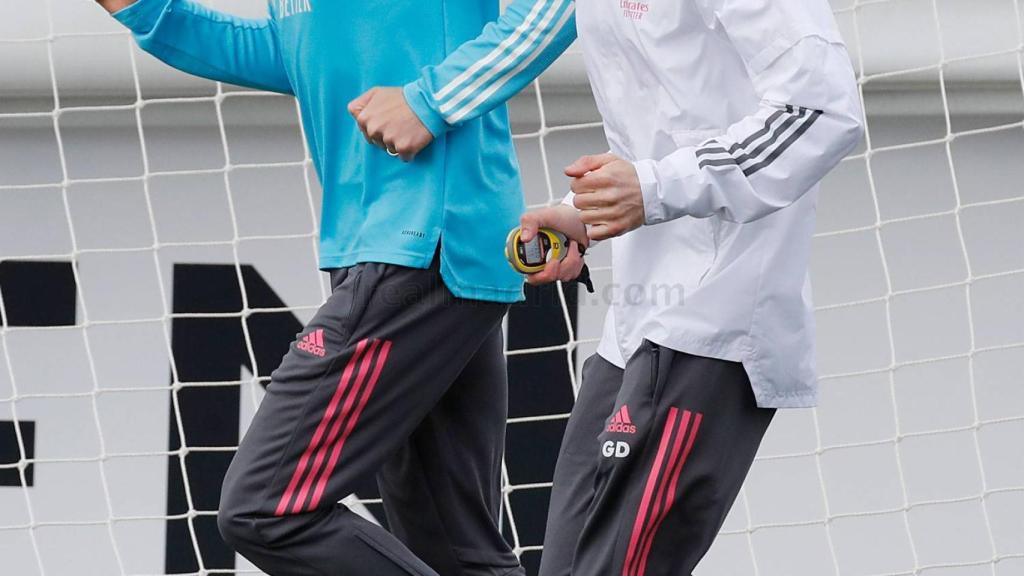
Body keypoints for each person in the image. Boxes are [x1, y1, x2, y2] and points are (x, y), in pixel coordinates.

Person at [353, 0, 863, 573]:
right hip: (632, 335)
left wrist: (652, 187)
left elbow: (822, 110)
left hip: (717, 320)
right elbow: (664, 126)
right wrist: (585, 212)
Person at [92, 0, 576, 574]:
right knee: (452, 553)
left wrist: (429, 101)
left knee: (264, 509)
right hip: (401, 256)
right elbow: (288, 53)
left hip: (422, 246)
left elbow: (555, 9)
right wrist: (149, 12)